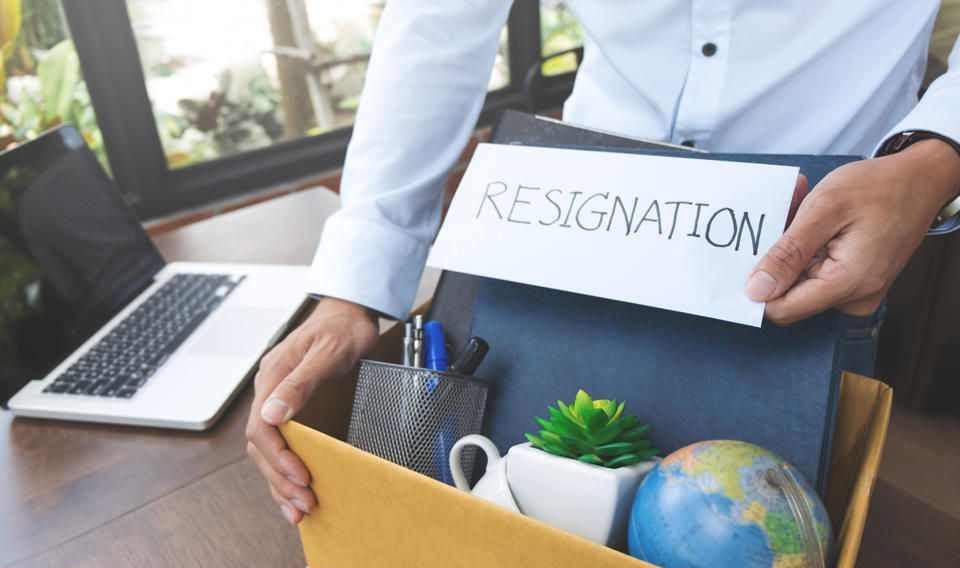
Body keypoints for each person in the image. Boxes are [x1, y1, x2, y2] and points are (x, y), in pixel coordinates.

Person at [246, 1, 960, 525]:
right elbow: (436, 23)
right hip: (570, 225)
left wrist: (937, 159)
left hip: (810, 245)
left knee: (758, 542)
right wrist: (352, 288)